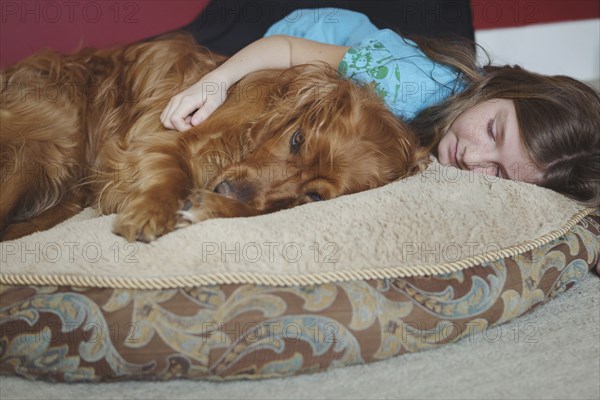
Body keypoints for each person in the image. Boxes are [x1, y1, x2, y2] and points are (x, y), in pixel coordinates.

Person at [161, 8, 600, 210]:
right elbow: (286, 48)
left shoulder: (461, 147)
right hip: (291, 42)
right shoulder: (403, 85)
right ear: (501, 88)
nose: (473, 159)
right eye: (492, 131)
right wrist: (215, 84)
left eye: (500, 172)